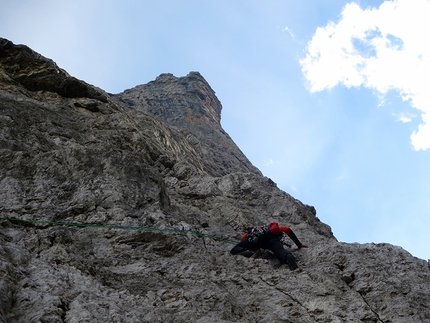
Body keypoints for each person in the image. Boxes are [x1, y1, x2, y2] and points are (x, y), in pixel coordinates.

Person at [230, 222, 308, 270]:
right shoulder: (270, 229)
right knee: (280, 251)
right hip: (272, 238)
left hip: (256, 239)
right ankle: (287, 256)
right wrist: (299, 244)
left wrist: (247, 249)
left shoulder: (252, 232)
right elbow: (287, 229)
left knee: (234, 250)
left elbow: (243, 239)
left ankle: (246, 252)